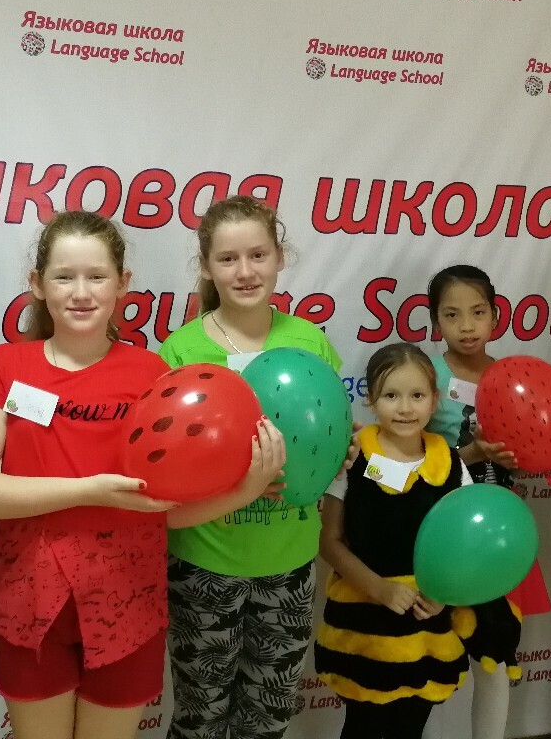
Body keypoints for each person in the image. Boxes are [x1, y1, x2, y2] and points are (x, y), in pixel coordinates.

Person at [0, 210, 283, 739]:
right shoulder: (6, 367)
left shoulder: (153, 375)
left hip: (128, 605)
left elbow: (167, 509)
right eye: (64, 277)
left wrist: (246, 489)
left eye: (97, 276)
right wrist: (92, 491)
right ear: (37, 284)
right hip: (29, 604)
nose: (81, 292)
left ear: (122, 284)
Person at [159, 195, 341, 739]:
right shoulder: (180, 351)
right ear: (206, 267)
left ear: (279, 256)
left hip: (290, 560)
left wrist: (344, 447)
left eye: (258, 255)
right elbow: (167, 467)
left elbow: (327, 430)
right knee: (201, 719)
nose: (245, 271)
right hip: (205, 562)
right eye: (228, 258)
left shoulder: (310, 341)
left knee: (269, 719)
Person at [316, 342, 470, 738]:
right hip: (364, 625)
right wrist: (379, 589)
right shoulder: (351, 456)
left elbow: (464, 547)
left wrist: (444, 596)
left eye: (417, 395)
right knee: (364, 728)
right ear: (370, 399)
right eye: (391, 395)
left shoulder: (451, 464)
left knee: (409, 727)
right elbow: (329, 541)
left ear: (434, 399)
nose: (405, 408)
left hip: (426, 625)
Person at [426, 264, 551, 739]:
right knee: (428, 653)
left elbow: (534, 449)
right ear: (435, 321)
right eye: (452, 314)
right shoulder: (427, 375)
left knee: (495, 655)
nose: (467, 325)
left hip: (499, 533)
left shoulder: (513, 377)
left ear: (496, 317)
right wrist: (473, 453)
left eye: (478, 312)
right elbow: (414, 460)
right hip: (441, 532)